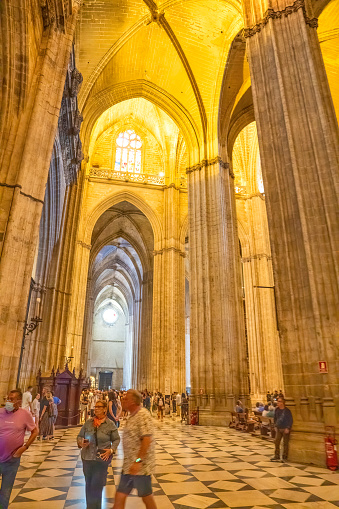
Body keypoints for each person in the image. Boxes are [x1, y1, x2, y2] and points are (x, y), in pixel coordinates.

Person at [113, 389, 157, 509]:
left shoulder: (143, 415)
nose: (123, 400)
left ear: (133, 401)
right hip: (129, 466)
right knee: (119, 497)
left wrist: (138, 462)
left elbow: (147, 440)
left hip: (141, 468)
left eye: (125, 398)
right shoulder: (132, 415)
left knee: (147, 498)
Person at [77, 399, 119, 509]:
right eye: (95, 407)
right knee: (89, 485)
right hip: (87, 457)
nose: (96, 409)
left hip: (101, 459)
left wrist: (111, 450)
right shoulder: (88, 423)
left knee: (97, 485)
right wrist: (81, 442)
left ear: (105, 409)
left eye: (99, 407)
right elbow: (80, 436)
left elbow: (116, 439)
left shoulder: (110, 424)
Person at [0, 389, 38, 509]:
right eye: (7, 399)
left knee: (6, 491)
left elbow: (35, 431)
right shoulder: (0, 412)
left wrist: (25, 447)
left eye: (11, 399)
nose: (8, 402)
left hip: (11, 459)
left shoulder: (24, 414)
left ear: (19, 401)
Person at [271, 397, 293, 462]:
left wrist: (288, 428)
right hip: (278, 428)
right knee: (276, 442)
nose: (278, 403)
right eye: (278, 401)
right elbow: (275, 418)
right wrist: (275, 425)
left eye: (279, 401)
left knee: (285, 443)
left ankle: (284, 457)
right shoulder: (277, 410)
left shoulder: (287, 411)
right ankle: (276, 455)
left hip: (285, 428)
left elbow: (290, 420)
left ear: (283, 403)